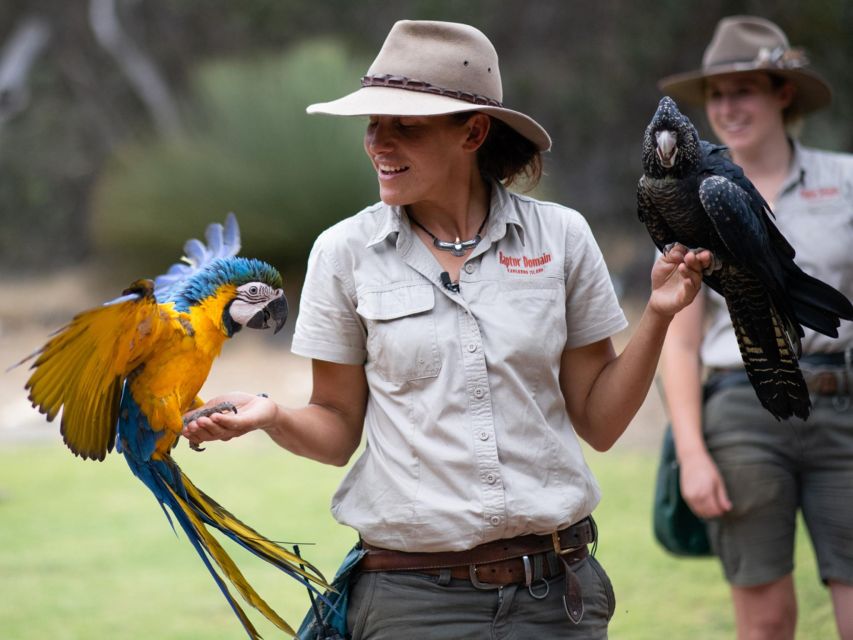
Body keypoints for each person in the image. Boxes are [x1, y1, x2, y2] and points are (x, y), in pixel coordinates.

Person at [184, 20, 710, 639]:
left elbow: (599, 423)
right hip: (411, 602)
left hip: (556, 597)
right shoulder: (344, 253)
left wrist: (658, 314)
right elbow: (333, 431)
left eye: (405, 125)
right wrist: (270, 414)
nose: (378, 143)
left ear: (474, 132)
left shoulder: (561, 237)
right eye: (372, 124)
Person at [657, 15, 853, 640]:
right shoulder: (678, 192)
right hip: (742, 406)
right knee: (765, 625)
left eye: (743, 90)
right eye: (716, 94)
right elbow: (681, 342)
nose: (727, 107)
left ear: (782, 93)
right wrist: (691, 453)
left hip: (845, 401)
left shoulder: (846, 182)